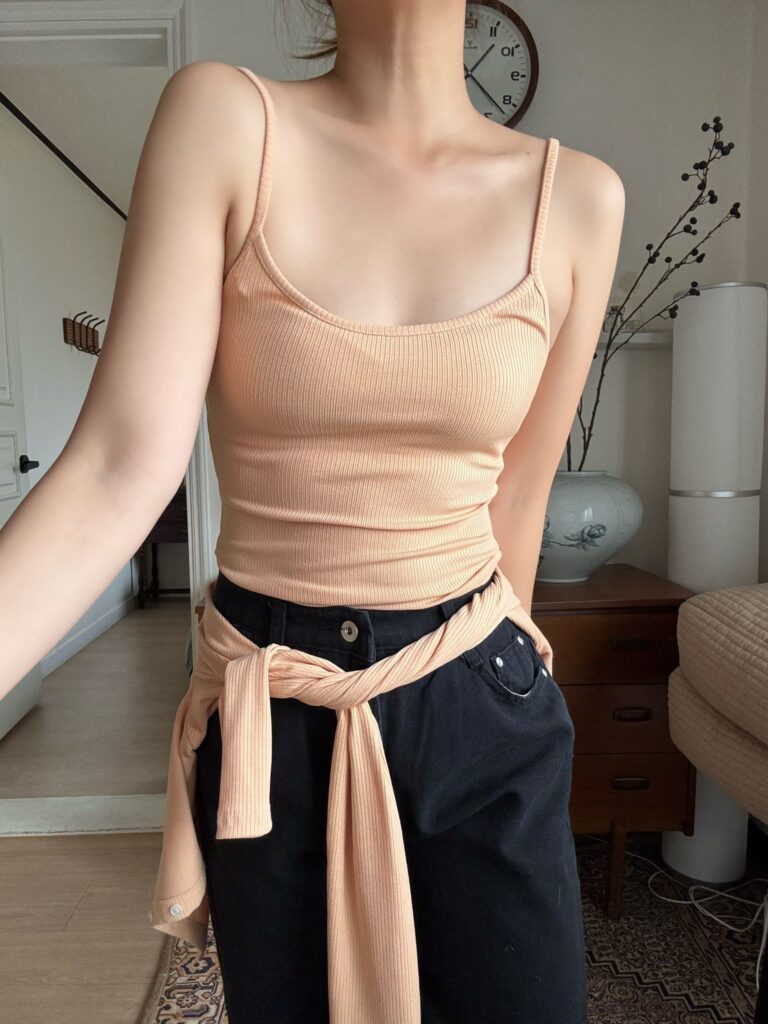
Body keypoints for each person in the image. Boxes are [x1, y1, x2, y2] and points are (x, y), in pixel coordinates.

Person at [0, 1, 625, 1021]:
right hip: (273, 717)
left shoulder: (581, 199)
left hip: (483, 700)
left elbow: (518, 495)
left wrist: (504, 691)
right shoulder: (223, 122)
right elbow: (117, 466)